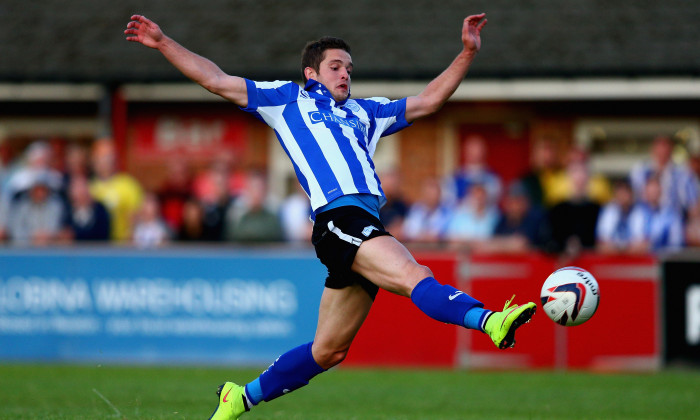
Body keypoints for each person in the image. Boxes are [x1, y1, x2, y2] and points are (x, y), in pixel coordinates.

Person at [126, 13, 536, 419]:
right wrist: (163, 43)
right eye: (335, 67)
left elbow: (429, 100)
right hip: (340, 220)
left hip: (362, 224)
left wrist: (466, 52)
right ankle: (491, 320)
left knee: (329, 351)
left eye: (349, 69)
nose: (345, 75)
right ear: (311, 73)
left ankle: (240, 397)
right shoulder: (287, 100)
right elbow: (215, 79)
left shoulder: (365, 113)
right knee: (416, 276)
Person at [89, 138, 144, 241]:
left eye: (107, 157)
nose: (103, 161)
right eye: (99, 157)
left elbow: (136, 217)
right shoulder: (88, 186)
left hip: (121, 247)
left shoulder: (128, 185)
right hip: (96, 247)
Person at [629, 135, 699, 214]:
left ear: (671, 150)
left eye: (665, 146)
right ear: (652, 150)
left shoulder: (683, 174)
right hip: (644, 218)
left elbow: (693, 204)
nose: (662, 151)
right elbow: (631, 197)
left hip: (675, 218)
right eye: (659, 146)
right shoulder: (640, 171)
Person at [402, 177, 453, 243]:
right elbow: (409, 231)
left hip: (439, 249)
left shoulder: (447, 212)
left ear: (439, 193)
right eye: (428, 192)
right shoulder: (415, 210)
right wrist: (423, 237)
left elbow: (447, 234)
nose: (431, 196)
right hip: (417, 248)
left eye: (434, 192)